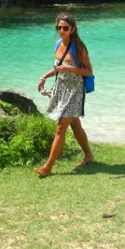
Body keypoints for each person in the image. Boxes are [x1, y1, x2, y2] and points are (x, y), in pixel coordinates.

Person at [34, 13, 94, 177]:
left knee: (61, 127)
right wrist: (44, 77)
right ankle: (89, 155)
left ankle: (48, 167)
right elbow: (58, 67)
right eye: (58, 27)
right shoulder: (58, 44)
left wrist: (71, 68)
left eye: (65, 28)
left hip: (74, 92)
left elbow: (88, 71)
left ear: (72, 29)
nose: (61, 31)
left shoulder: (79, 48)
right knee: (74, 125)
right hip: (61, 89)